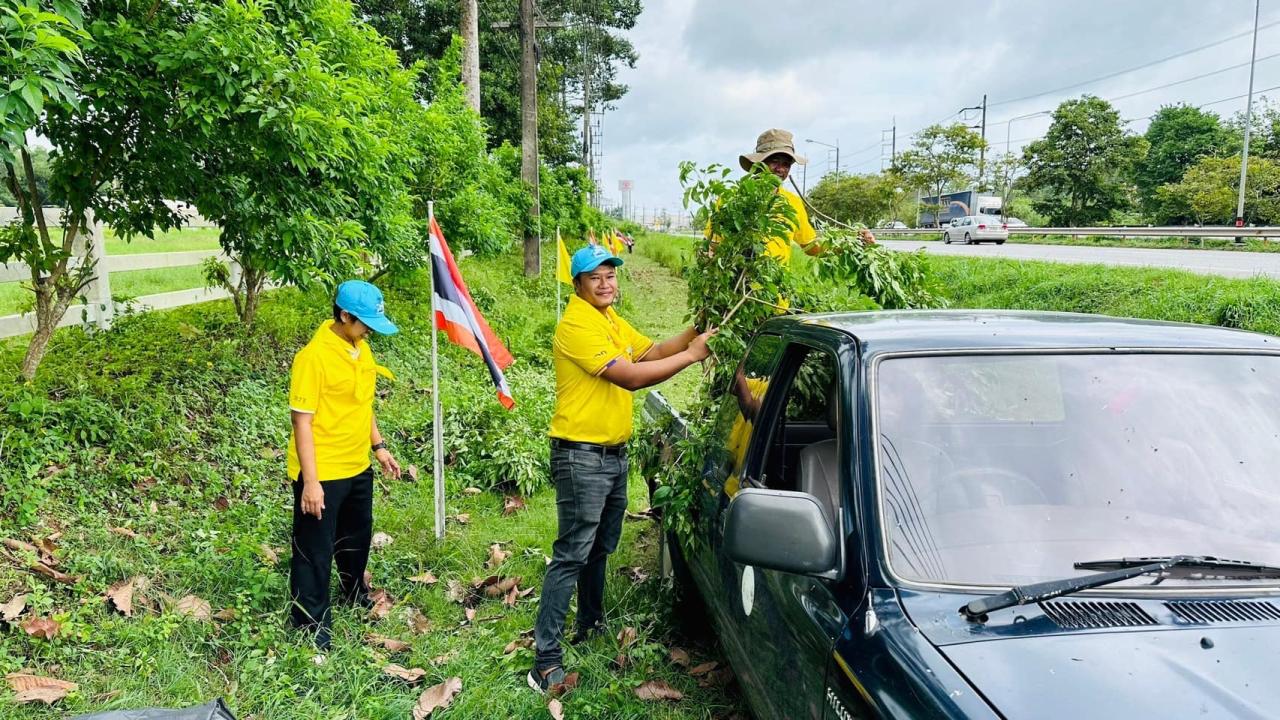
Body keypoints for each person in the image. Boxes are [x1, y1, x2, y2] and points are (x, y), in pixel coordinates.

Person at [529, 245, 714, 693]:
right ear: (577, 284)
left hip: (612, 455)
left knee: (599, 548)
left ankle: (589, 625)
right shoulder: (577, 324)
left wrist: (702, 323)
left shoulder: (609, 319)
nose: (606, 283)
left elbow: (651, 351)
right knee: (572, 552)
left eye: (611, 275)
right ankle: (544, 661)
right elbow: (632, 376)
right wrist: (694, 356)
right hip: (582, 455)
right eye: (596, 277)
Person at [286, 280, 402, 651]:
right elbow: (301, 422)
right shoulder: (313, 358)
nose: (369, 331)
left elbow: (363, 403)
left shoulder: (360, 349)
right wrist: (311, 482)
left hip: (356, 464)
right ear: (344, 314)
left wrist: (379, 447)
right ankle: (310, 622)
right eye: (364, 323)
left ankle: (354, 592)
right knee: (314, 550)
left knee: (355, 538)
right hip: (323, 470)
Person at [738, 128, 876, 259]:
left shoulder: (792, 202)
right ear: (758, 163)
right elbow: (715, 245)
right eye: (774, 161)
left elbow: (811, 246)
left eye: (786, 164)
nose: (780, 169)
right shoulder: (735, 200)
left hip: (774, 283)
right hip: (734, 282)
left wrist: (853, 242)